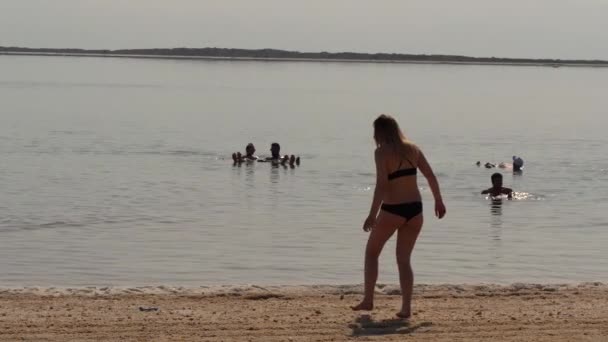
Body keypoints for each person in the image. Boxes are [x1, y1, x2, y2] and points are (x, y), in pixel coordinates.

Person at [352, 114, 446, 319]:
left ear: (379, 132)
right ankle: (406, 308)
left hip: (393, 209)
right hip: (415, 209)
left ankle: (368, 300)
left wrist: (371, 215)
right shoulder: (413, 148)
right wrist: (438, 200)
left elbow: (382, 185)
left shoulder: (381, 153)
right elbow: (430, 175)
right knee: (404, 260)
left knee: (371, 253)